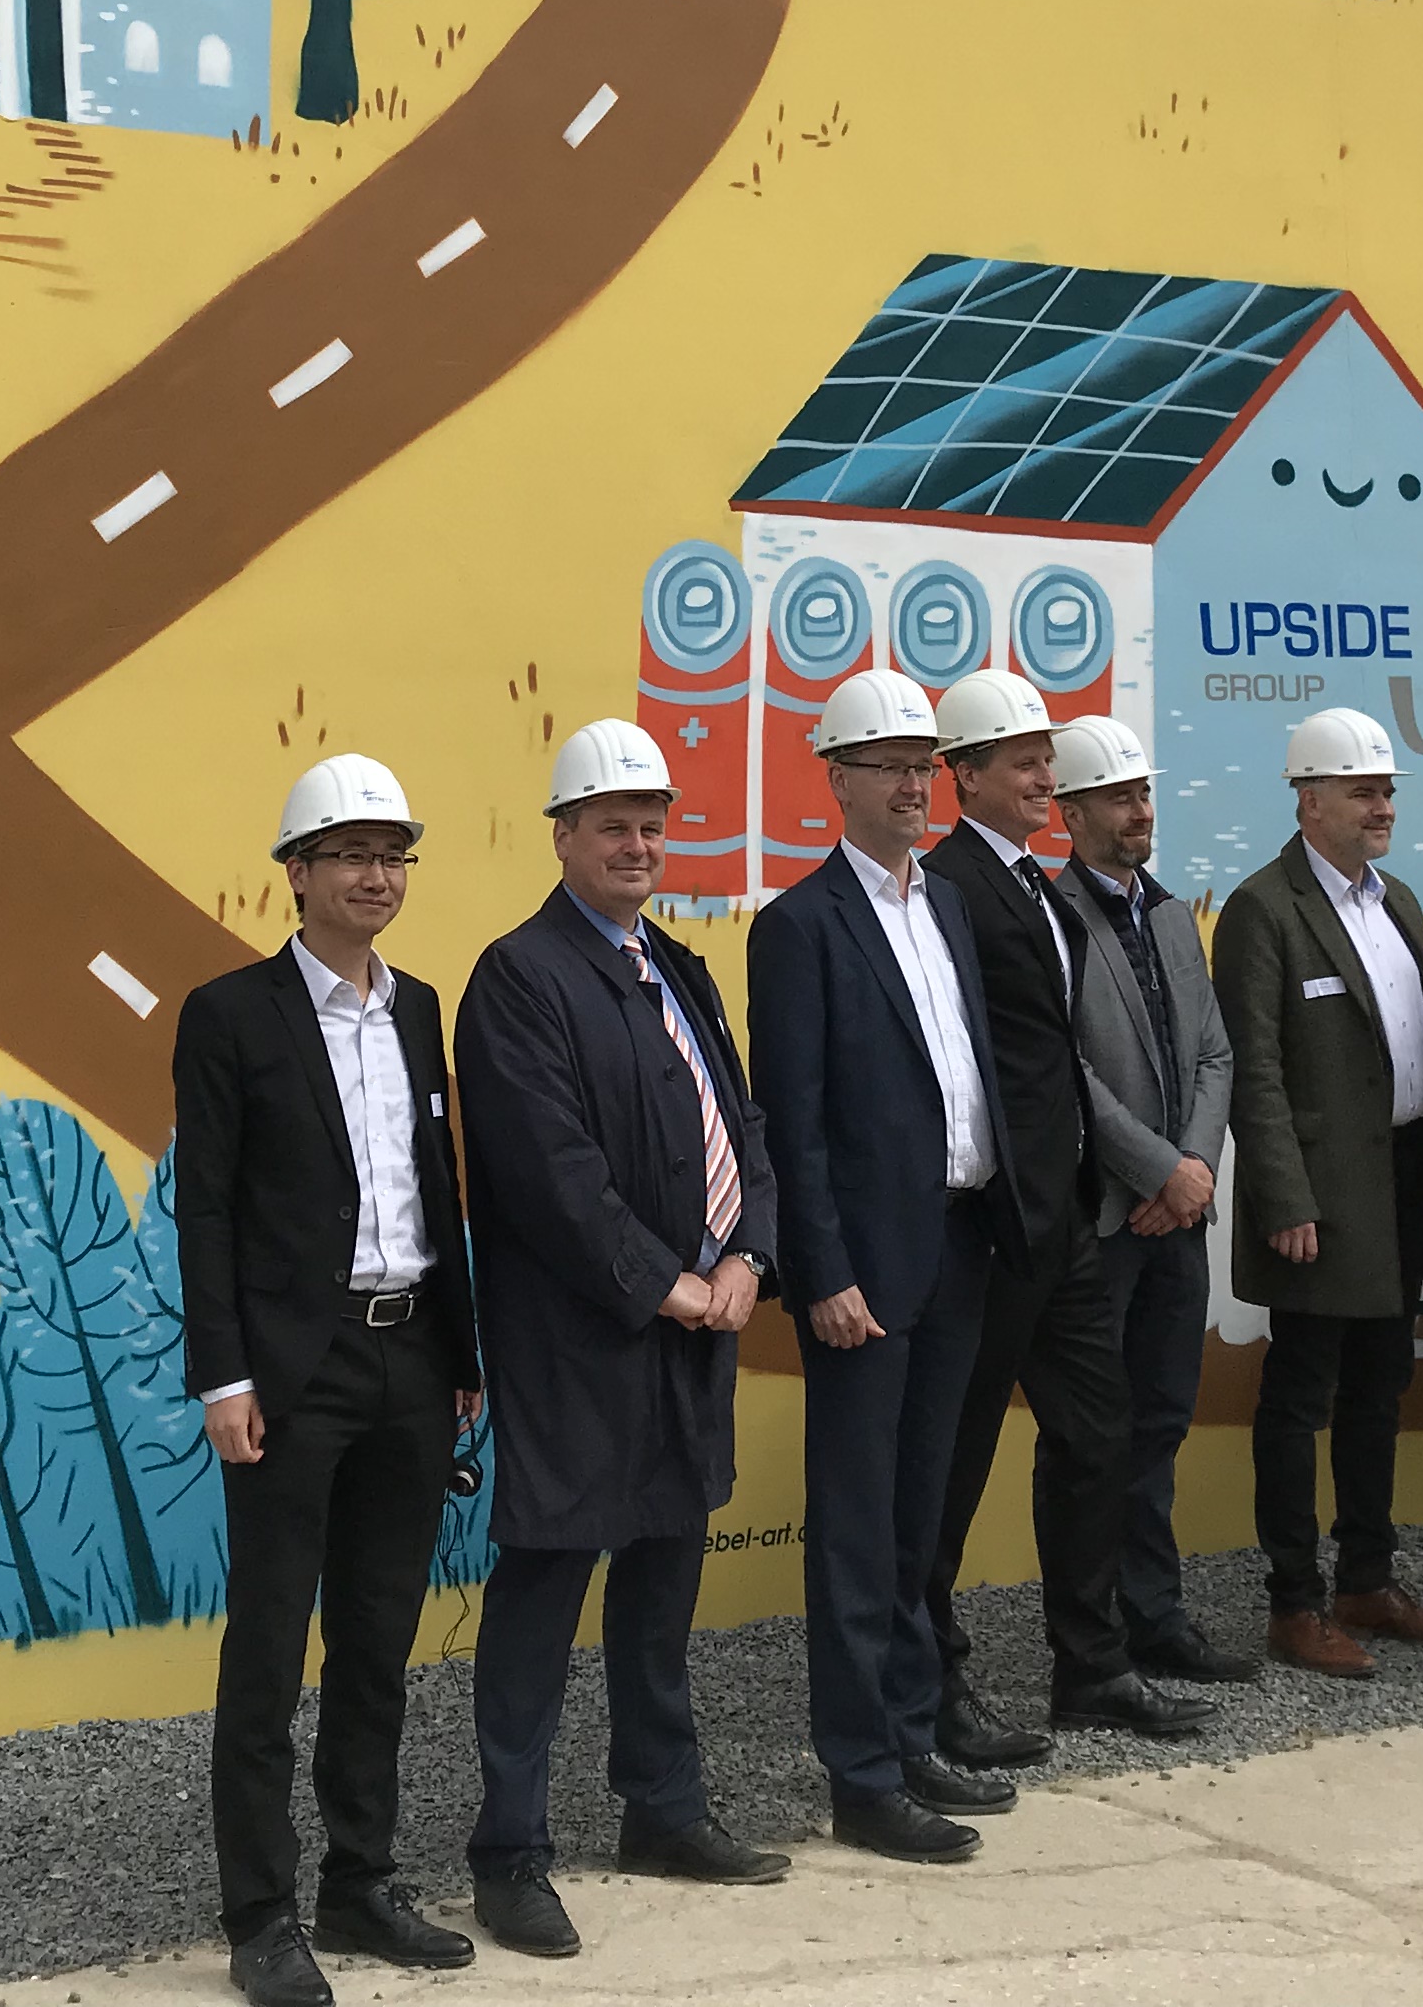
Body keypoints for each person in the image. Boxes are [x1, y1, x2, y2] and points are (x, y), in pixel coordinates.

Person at [452, 719, 793, 1959]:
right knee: (545, 1591)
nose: (638, 844)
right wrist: (670, 1287)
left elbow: (743, 1128)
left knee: (662, 1582)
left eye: (652, 825)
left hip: (693, 1330)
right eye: (612, 826)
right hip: (581, 1343)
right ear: (563, 837)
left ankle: (663, 1808)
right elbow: (550, 1175)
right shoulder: (518, 978)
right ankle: (510, 1854)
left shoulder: (679, 968)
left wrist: (748, 1256)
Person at [178, 756, 484, 2007]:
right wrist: (223, 1378)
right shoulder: (231, 1014)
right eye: (350, 853)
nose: (376, 875)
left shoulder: (417, 1009)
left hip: (411, 1358)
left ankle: (362, 1882)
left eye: (393, 854)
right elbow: (206, 1208)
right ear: (296, 872)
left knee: (377, 1642)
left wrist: (461, 1358)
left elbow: (433, 1188)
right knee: (268, 1649)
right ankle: (260, 1915)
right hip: (294, 1374)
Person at [747, 667, 1020, 1865]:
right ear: (838, 780)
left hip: (958, 1243)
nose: (914, 786)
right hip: (866, 1268)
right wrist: (822, 1271)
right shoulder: (800, 926)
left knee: (917, 1517)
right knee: (859, 1528)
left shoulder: (944, 906)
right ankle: (862, 1776)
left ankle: (911, 1737)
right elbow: (791, 1121)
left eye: (924, 766)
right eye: (891, 767)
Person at [915, 671, 1203, 1759]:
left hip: (1068, 1222)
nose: (1045, 775)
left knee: (1097, 1436)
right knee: (955, 1464)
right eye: (1023, 761)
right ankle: (932, 1681)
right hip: (996, 1229)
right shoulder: (946, 887)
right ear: (965, 775)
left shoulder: (1035, 887)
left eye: (1048, 760)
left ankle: (1091, 1665)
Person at [1215, 706, 1423, 1677]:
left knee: (1380, 1386)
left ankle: (1367, 1577)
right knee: (1300, 1398)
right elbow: (1254, 1071)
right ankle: (1295, 1603)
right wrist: (1284, 1198)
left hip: (1402, 1182)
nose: (1384, 807)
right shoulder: (1263, 909)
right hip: (1319, 1202)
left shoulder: (1395, 900)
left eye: (1388, 791)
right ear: (1310, 799)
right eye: (1365, 791)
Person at [1048, 712, 1254, 1687]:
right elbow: (1067, 1072)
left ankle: (1154, 1617)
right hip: (1107, 1219)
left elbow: (1213, 1052)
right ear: (1071, 812)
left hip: (1177, 1214)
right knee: (1094, 1436)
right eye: (1120, 798)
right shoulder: (1051, 918)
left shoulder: (1171, 915)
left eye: (1143, 795)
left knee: (1162, 1419)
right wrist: (1157, 1172)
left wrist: (1192, 1168)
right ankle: (1092, 1638)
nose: (1140, 812)